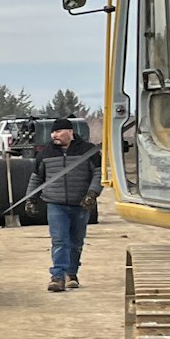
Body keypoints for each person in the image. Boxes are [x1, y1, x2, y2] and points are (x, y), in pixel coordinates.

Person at [31, 117, 102, 292]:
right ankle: (57, 276)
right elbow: (36, 178)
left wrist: (92, 193)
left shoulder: (88, 151)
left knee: (76, 241)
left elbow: (99, 174)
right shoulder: (45, 153)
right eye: (53, 132)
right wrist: (30, 199)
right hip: (55, 204)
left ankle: (72, 273)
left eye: (59, 131)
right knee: (60, 240)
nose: (55, 135)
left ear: (70, 132)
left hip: (80, 204)